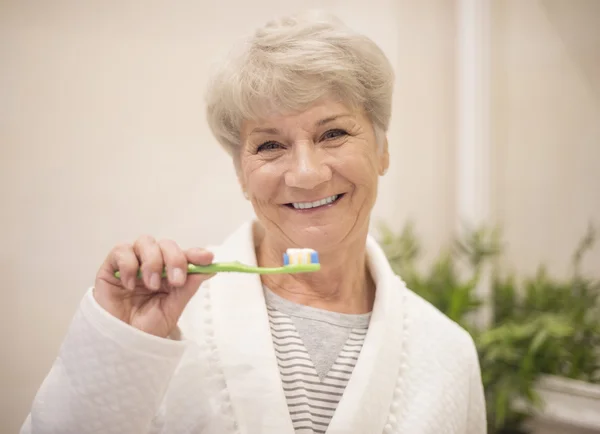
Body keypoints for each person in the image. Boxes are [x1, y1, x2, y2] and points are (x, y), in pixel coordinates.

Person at [22, 11, 486, 434]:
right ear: (242, 174)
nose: (306, 173)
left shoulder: (446, 354)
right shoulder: (158, 326)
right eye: (269, 146)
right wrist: (120, 350)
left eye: (334, 133)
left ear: (382, 150)